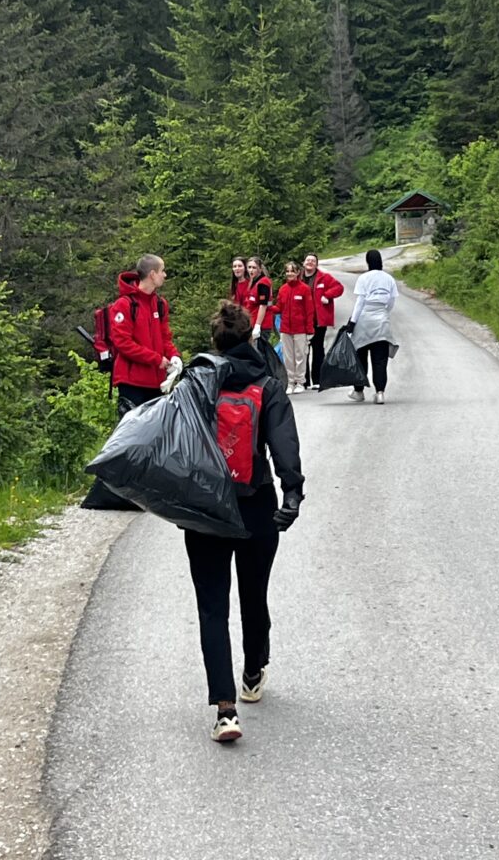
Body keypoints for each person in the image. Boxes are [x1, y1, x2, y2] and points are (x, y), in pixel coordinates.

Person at [184, 300, 304, 742]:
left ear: (214, 342)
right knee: (254, 594)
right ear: (250, 337)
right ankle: (253, 672)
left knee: (212, 606)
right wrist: (292, 493)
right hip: (256, 504)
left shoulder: (197, 382)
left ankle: (225, 709)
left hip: (207, 509)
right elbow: (284, 444)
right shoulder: (268, 386)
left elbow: (174, 443)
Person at [109, 254, 182, 415]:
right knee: (133, 430)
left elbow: (165, 337)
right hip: (132, 383)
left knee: (158, 429)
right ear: (152, 274)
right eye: (162, 271)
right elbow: (123, 343)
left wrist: (174, 356)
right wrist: (156, 359)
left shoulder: (160, 304)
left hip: (157, 383)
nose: (165, 275)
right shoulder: (124, 305)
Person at [346, 249, 399, 405]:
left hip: (364, 319)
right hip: (381, 320)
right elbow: (391, 302)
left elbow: (360, 302)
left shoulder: (364, 278)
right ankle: (380, 392)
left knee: (361, 357)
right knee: (380, 359)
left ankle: (359, 391)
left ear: (368, 262)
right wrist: (383, 313)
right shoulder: (389, 279)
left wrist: (352, 322)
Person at [270, 261, 315, 394]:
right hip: (285, 329)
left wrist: (310, 330)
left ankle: (300, 382)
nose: (289, 274)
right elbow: (279, 308)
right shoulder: (283, 289)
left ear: (298, 273)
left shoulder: (305, 289)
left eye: (292, 271)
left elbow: (309, 311)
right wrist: (268, 307)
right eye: (287, 271)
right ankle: (290, 382)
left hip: (300, 329)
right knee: (288, 357)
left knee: (300, 356)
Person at [301, 252, 344, 390]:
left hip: (318, 320)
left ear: (316, 264)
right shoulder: (298, 277)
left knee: (318, 348)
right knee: (303, 350)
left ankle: (318, 380)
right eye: (308, 260)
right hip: (301, 320)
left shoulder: (324, 277)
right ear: (303, 263)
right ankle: (304, 381)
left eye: (313, 261)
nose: (310, 262)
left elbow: (339, 288)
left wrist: (327, 295)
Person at [244, 256, 274, 342]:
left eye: (254, 268)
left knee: (259, 349)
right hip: (252, 322)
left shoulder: (263, 283)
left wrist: (257, 326)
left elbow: (263, 305)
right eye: (249, 267)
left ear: (260, 269)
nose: (251, 270)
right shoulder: (253, 281)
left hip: (262, 325)